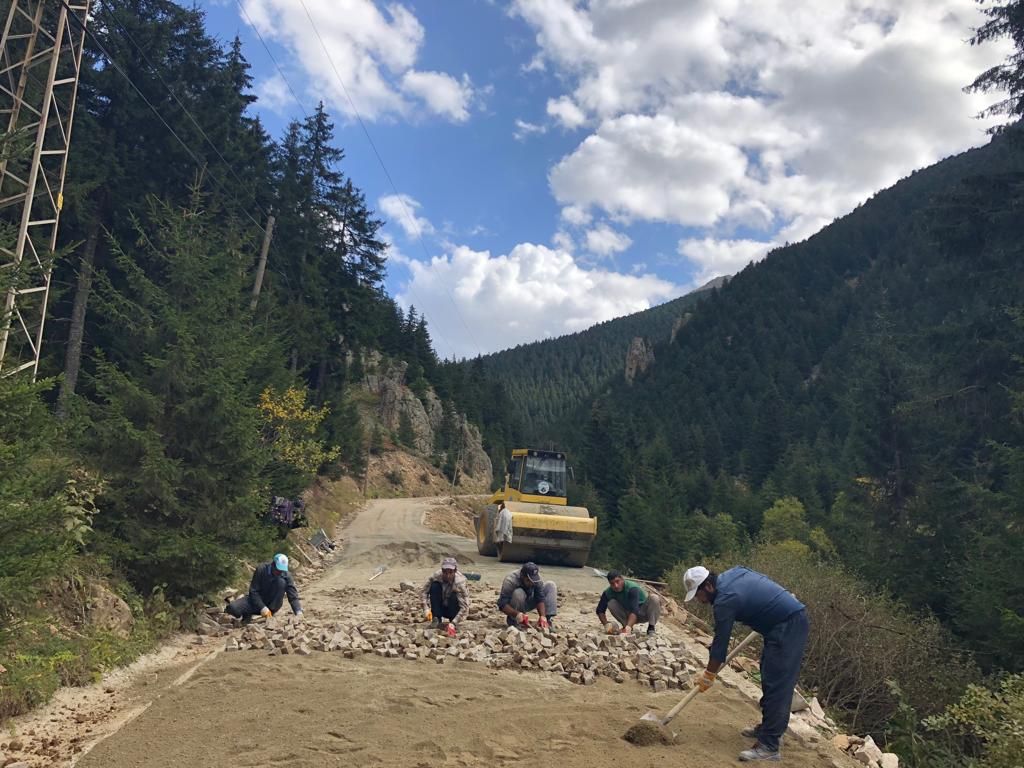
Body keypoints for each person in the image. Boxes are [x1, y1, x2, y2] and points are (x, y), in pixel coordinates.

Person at [684, 565, 809, 762]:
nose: (699, 601)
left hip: (789, 625)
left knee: (778, 684)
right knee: (769, 676)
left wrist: (709, 674)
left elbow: (720, 644)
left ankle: (770, 745)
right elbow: (762, 583)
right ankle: (769, 729)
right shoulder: (732, 574)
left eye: (698, 595)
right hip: (780, 622)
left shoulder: (724, 600)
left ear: (707, 586)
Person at [225, 553, 303, 624]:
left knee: (281, 582)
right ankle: (247, 615)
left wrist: (298, 612)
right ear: (273, 564)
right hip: (255, 601)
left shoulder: (286, 575)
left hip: (272, 604)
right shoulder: (261, 569)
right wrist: (262, 607)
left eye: (282, 570)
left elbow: (293, 597)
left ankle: (270, 614)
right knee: (233, 608)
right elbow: (253, 591)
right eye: (278, 570)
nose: (280, 572)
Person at [596, 570, 662, 636]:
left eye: (617, 581)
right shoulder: (608, 592)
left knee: (654, 598)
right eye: (612, 583)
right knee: (611, 603)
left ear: (622, 579)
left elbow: (634, 610)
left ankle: (651, 628)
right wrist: (606, 624)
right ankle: (625, 626)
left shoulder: (632, 588)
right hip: (628, 614)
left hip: (643, 612)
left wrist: (629, 627)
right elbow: (600, 610)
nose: (616, 585)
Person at [497, 561, 557, 631]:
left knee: (550, 585)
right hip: (516, 605)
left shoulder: (536, 579)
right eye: (528, 580)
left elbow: (540, 598)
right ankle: (514, 621)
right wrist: (517, 614)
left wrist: (542, 616)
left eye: (533, 581)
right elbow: (502, 604)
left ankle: (547, 621)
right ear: (522, 576)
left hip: (529, 601)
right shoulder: (510, 580)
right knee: (518, 592)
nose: (531, 583)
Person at [421, 556, 470, 637]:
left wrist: (454, 622)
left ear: (455, 571)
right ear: (442, 571)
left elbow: (465, 607)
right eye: (445, 572)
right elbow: (424, 591)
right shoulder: (436, 576)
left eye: (450, 572)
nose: (447, 575)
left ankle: (452, 621)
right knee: (434, 586)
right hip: (440, 607)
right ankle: (436, 619)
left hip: (453, 609)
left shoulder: (460, 582)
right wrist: (426, 609)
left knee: (455, 595)